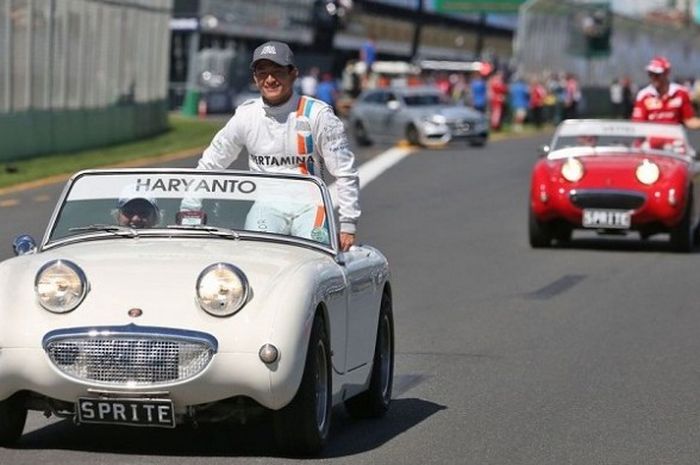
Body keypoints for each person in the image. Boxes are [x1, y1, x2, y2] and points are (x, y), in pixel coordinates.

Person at [188, 41, 360, 251]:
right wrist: (190, 206)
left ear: (293, 74)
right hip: (266, 205)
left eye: (277, 72)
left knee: (315, 260)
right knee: (256, 257)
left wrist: (348, 225)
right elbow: (211, 163)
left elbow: (345, 172)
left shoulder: (318, 114)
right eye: (262, 73)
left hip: (311, 207)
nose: (270, 79)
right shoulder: (246, 115)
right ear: (255, 78)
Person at [632, 56, 700, 128]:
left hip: (675, 138)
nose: (653, 77)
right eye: (650, 74)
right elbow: (638, 124)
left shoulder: (681, 92)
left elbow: (689, 120)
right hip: (652, 137)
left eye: (657, 74)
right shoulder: (643, 95)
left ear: (666, 73)